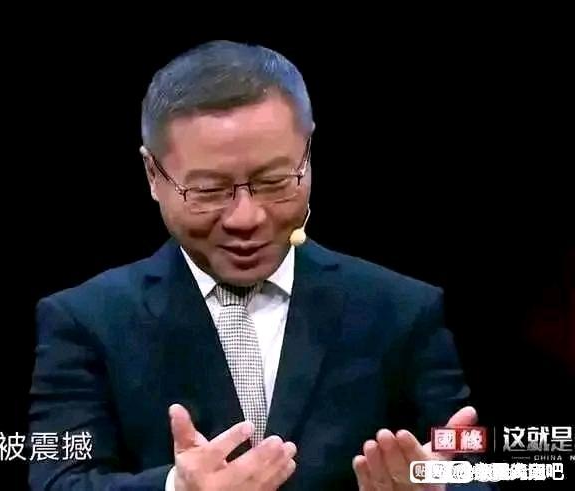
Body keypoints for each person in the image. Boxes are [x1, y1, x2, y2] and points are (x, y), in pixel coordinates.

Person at [28, 40, 493, 490]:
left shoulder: (403, 309)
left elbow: (470, 460)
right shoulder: (86, 322)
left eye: (274, 182)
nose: (246, 218)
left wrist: (439, 486)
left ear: (307, 153)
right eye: (209, 190)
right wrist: (176, 489)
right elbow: (56, 478)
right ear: (153, 174)